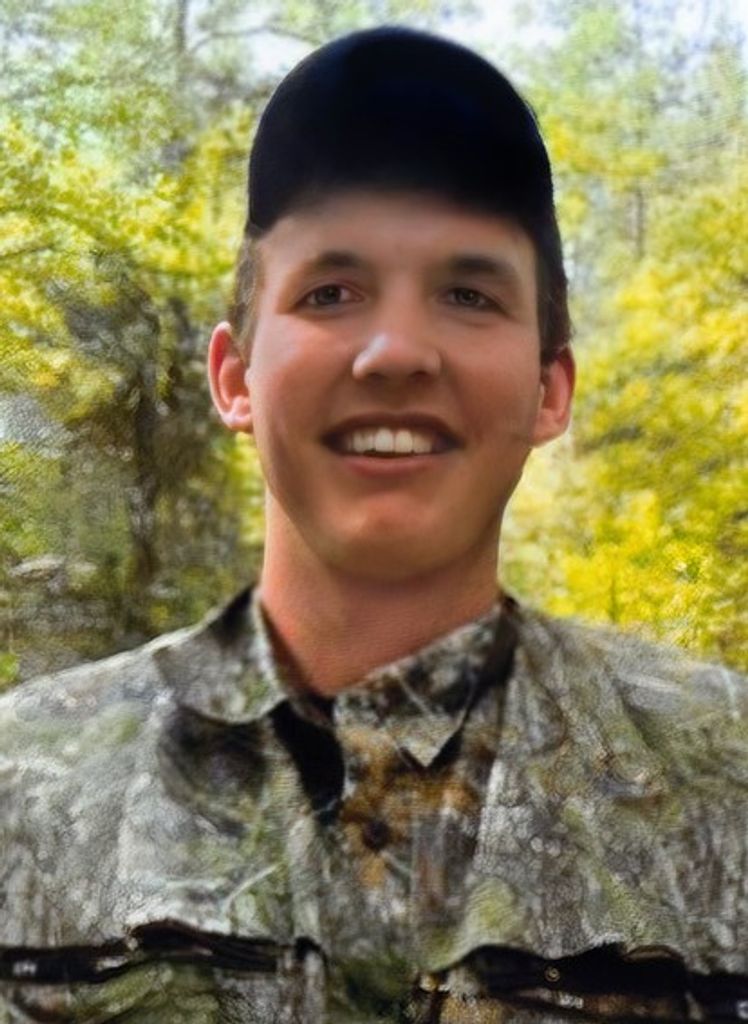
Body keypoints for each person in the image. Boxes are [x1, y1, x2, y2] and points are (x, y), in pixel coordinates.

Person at [1, 25, 747, 1024]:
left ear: (548, 389)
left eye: (467, 294)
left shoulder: (726, 779)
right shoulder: (22, 792)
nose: (395, 350)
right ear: (235, 377)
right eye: (332, 292)